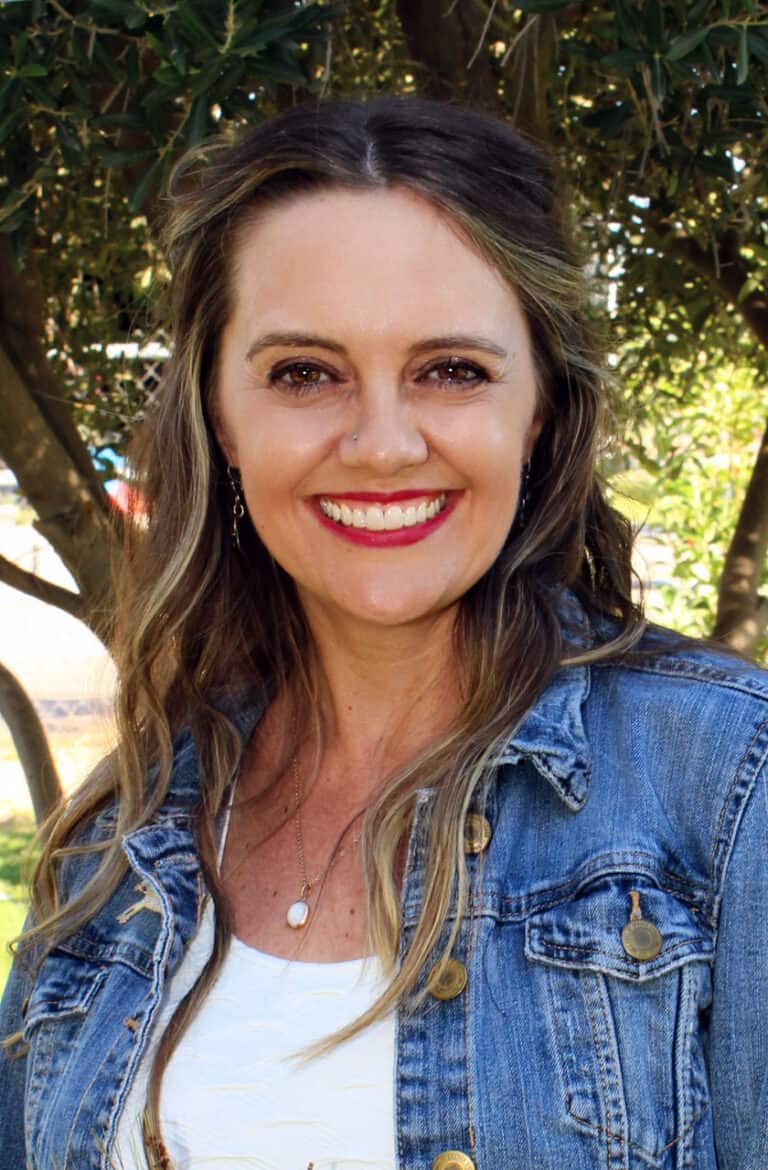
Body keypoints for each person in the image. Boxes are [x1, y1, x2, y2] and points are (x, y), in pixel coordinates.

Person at [1, 95, 767, 1170]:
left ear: (539, 406)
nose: (382, 444)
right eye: (304, 373)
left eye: (451, 369)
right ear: (221, 416)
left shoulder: (729, 784)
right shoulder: (116, 838)